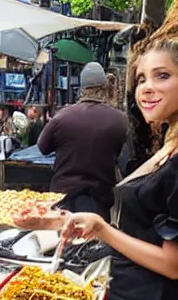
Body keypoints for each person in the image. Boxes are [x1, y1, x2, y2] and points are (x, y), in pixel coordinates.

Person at [18, 1, 178, 300]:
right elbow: (136, 215)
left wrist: (104, 231)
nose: (146, 87)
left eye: (163, 76)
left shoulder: (173, 160)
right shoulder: (146, 136)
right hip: (128, 297)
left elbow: (174, 264)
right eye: (141, 77)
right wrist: (71, 221)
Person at [37, 62, 128, 220]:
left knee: (60, 241)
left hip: (62, 196)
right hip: (99, 199)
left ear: (81, 88)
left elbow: (43, 147)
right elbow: (126, 159)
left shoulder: (62, 116)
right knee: (93, 243)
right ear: (105, 87)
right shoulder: (120, 120)